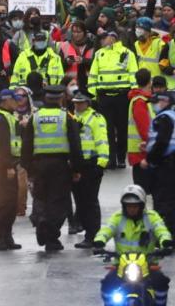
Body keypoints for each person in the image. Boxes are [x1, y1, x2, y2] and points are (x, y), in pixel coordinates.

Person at [20, 85, 81, 251]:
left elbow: (27, 143)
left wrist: (27, 166)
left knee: (41, 198)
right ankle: (51, 236)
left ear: (46, 98)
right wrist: (77, 168)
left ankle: (41, 222)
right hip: (60, 165)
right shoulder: (65, 117)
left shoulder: (36, 117)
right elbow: (75, 144)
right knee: (59, 201)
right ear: (60, 98)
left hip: (39, 165)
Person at [93, 185, 174, 304]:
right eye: (128, 206)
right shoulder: (117, 218)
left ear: (141, 206)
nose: (131, 209)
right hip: (121, 264)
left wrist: (166, 241)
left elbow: (161, 229)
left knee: (161, 282)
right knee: (107, 284)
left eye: (135, 206)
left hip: (148, 263)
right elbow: (107, 229)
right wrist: (99, 240)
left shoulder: (151, 217)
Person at [89, 30, 139, 168]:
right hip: (104, 96)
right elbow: (93, 74)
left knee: (122, 128)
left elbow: (133, 73)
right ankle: (111, 158)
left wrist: (134, 94)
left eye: (105, 37)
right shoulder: (99, 54)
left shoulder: (127, 53)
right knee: (107, 129)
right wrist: (93, 95)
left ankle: (121, 157)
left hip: (122, 96)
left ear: (113, 38)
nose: (103, 40)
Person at [144, 92, 175, 247]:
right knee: (171, 202)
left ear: (164, 102)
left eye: (155, 102)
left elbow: (162, 142)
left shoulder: (165, 118)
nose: (152, 105)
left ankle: (165, 237)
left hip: (166, 164)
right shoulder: (174, 117)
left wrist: (149, 159)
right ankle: (174, 237)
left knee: (163, 202)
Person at [69, 92, 109, 249]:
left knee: (90, 202)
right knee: (81, 202)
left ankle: (93, 235)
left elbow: (102, 141)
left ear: (87, 103)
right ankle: (89, 234)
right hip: (78, 165)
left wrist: (101, 163)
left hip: (91, 164)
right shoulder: (73, 117)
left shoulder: (96, 118)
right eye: (75, 103)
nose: (77, 105)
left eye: (80, 103)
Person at [0, 89, 22, 251]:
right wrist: (8, 166)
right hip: (2, 165)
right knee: (3, 202)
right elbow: (1, 146)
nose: (18, 102)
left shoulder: (8, 116)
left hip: (9, 163)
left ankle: (7, 236)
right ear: (6, 100)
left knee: (11, 203)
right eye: (15, 100)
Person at [126, 69, 155, 189]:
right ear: (150, 82)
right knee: (144, 192)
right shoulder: (140, 102)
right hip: (142, 152)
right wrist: (152, 144)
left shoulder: (140, 99)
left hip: (140, 151)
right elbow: (144, 128)